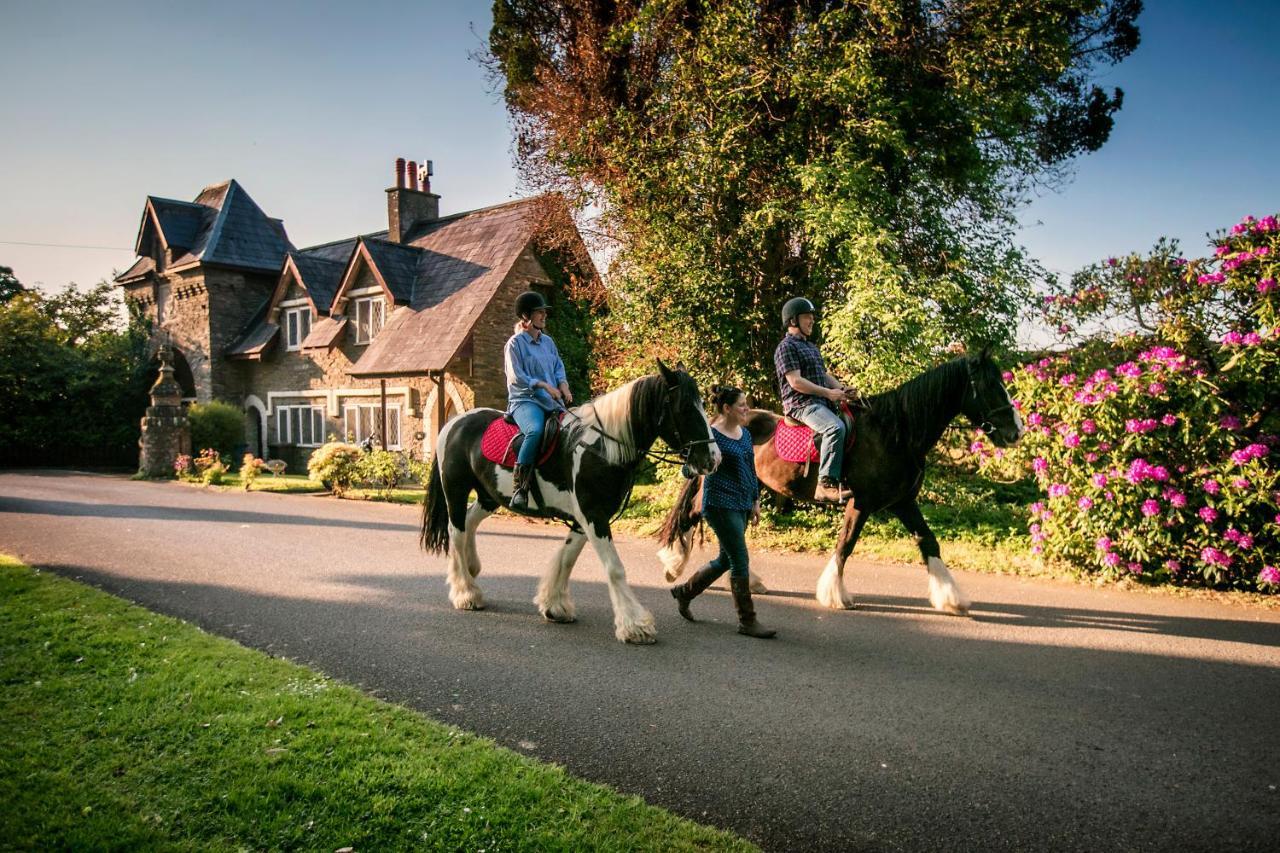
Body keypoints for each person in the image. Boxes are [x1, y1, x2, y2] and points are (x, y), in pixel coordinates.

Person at [669, 384, 775, 639]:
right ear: (726, 408)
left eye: (746, 404)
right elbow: (687, 470)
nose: (746, 408)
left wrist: (755, 499)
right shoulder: (711, 435)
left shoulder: (744, 434)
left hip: (741, 502)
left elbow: (750, 468)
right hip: (718, 504)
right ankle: (747, 621)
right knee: (740, 560)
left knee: (725, 560)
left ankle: (684, 593)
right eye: (741, 405)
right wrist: (703, 466)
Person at [774, 296, 856, 503]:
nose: (812, 321)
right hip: (800, 405)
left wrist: (842, 389)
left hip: (820, 403)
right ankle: (824, 484)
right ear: (793, 321)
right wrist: (829, 394)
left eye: (812, 317)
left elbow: (824, 375)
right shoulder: (786, 347)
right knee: (834, 428)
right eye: (807, 317)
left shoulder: (810, 347)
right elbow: (795, 382)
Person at [504, 290, 573, 509]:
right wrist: (543, 385)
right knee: (534, 430)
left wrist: (563, 386)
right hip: (525, 401)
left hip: (552, 401)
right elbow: (516, 377)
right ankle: (520, 489)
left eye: (544, 312)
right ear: (526, 317)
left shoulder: (548, 343)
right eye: (539, 312)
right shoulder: (514, 344)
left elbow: (558, 367)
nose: (544, 316)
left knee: (576, 428)